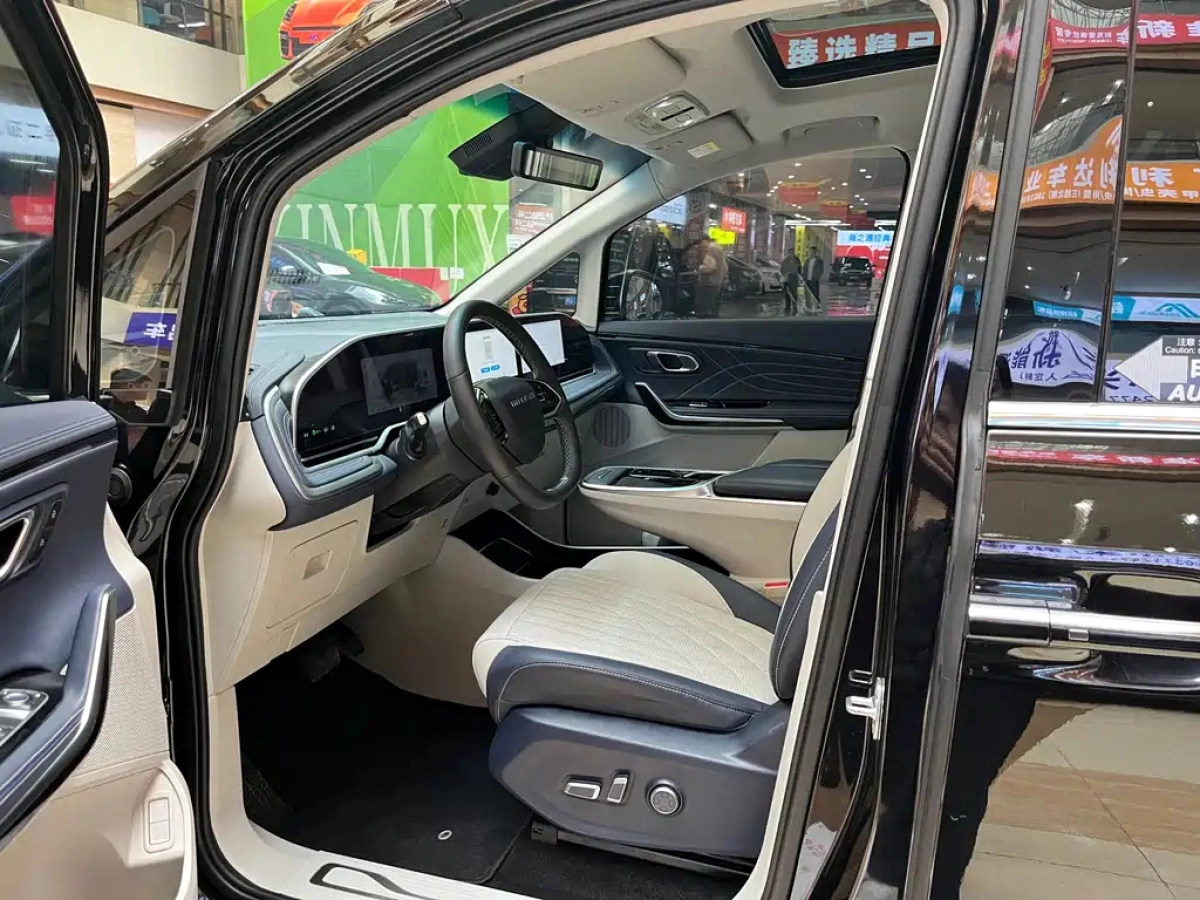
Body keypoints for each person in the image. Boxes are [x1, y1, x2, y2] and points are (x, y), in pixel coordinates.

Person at [694, 238, 728, 318]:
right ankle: (712, 317)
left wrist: (700, 268)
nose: (701, 246)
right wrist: (721, 277)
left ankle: (703, 317)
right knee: (712, 303)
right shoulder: (719, 252)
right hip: (717, 282)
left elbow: (710, 267)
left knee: (704, 304)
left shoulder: (710, 251)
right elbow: (725, 267)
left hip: (708, 281)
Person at [803, 246, 824, 311]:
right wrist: (804, 278)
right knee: (807, 295)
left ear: (815, 252)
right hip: (807, 280)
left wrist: (816, 277)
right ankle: (808, 307)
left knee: (815, 294)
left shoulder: (819, 261)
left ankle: (817, 307)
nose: (811, 253)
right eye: (811, 252)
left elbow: (821, 270)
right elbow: (804, 269)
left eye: (813, 252)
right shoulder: (807, 261)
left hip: (814, 280)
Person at [780, 250, 801, 316]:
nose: (791, 254)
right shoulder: (785, 260)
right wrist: (785, 274)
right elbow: (782, 269)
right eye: (789, 253)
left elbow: (799, 269)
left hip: (794, 279)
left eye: (792, 253)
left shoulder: (797, 260)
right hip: (787, 279)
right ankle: (787, 307)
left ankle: (795, 307)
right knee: (787, 294)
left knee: (794, 294)